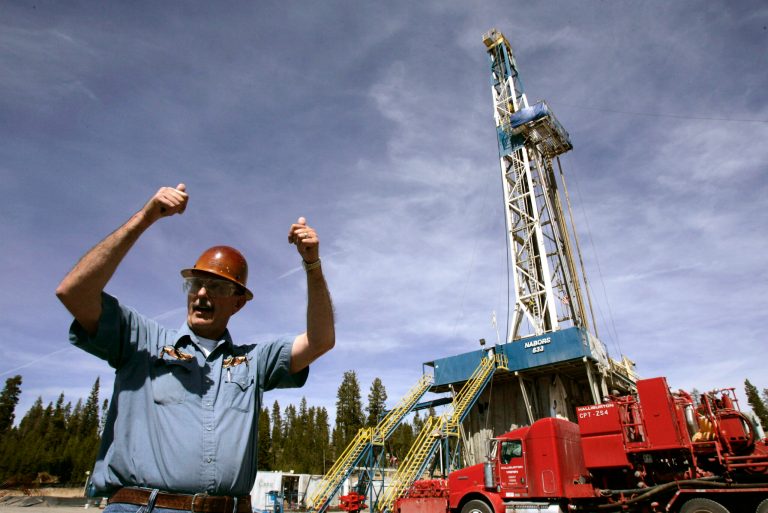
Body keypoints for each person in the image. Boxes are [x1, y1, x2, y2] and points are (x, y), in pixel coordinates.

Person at [56, 183, 335, 513]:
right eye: (195, 284)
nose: (202, 294)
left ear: (238, 304)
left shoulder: (253, 360)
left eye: (215, 286)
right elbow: (73, 292)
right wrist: (145, 218)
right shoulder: (142, 342)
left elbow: (320, 341)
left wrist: (312, 265)